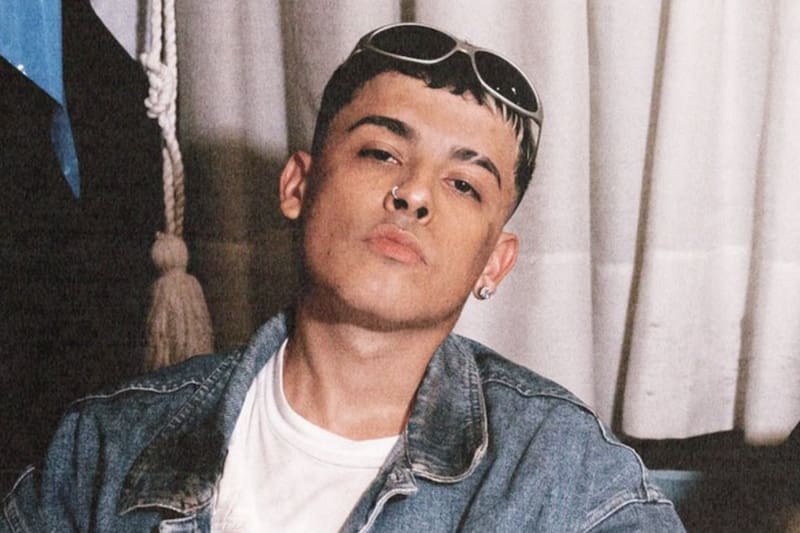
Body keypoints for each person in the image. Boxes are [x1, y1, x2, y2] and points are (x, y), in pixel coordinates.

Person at [0, 23, 685, 532]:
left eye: (464, 184)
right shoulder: (104, 446)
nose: (413, 193)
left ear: (495, 262)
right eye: (381, 151)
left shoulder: (574, 483)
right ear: (297, 186)